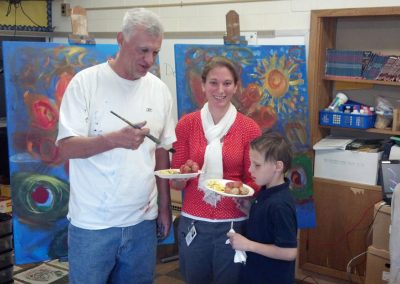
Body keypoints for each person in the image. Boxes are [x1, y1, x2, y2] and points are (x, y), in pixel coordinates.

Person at [56, 8, 176, 284]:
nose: (149, 60)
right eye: (143, 50)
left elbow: (161, 151)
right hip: (92, 226)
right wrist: (113, 140)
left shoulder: (159, 90)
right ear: (120, 40)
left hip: (143, 223)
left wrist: (165, 207)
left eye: (155, 53)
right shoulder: (86, 84)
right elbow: (66, 147)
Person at [170, 56, 262, 284]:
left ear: (236, 86)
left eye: (227, 83)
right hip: (194, 221)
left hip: (234, 222)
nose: (220, 89)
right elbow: (176, 181)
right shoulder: (186, 124)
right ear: (203, 86)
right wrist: (184, 173)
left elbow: (256, 179)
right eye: (213, 82)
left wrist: (244, 190)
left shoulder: (249, 128)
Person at [227, 131, 298, 284]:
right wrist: (249, 209)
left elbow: (289, 252)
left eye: (257, 165)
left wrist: (248, 245)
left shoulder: (280, 205)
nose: (250, 170)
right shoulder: (266, 191)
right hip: (255, 273)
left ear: (278, 166)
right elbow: (267, 225)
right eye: (251, 163)